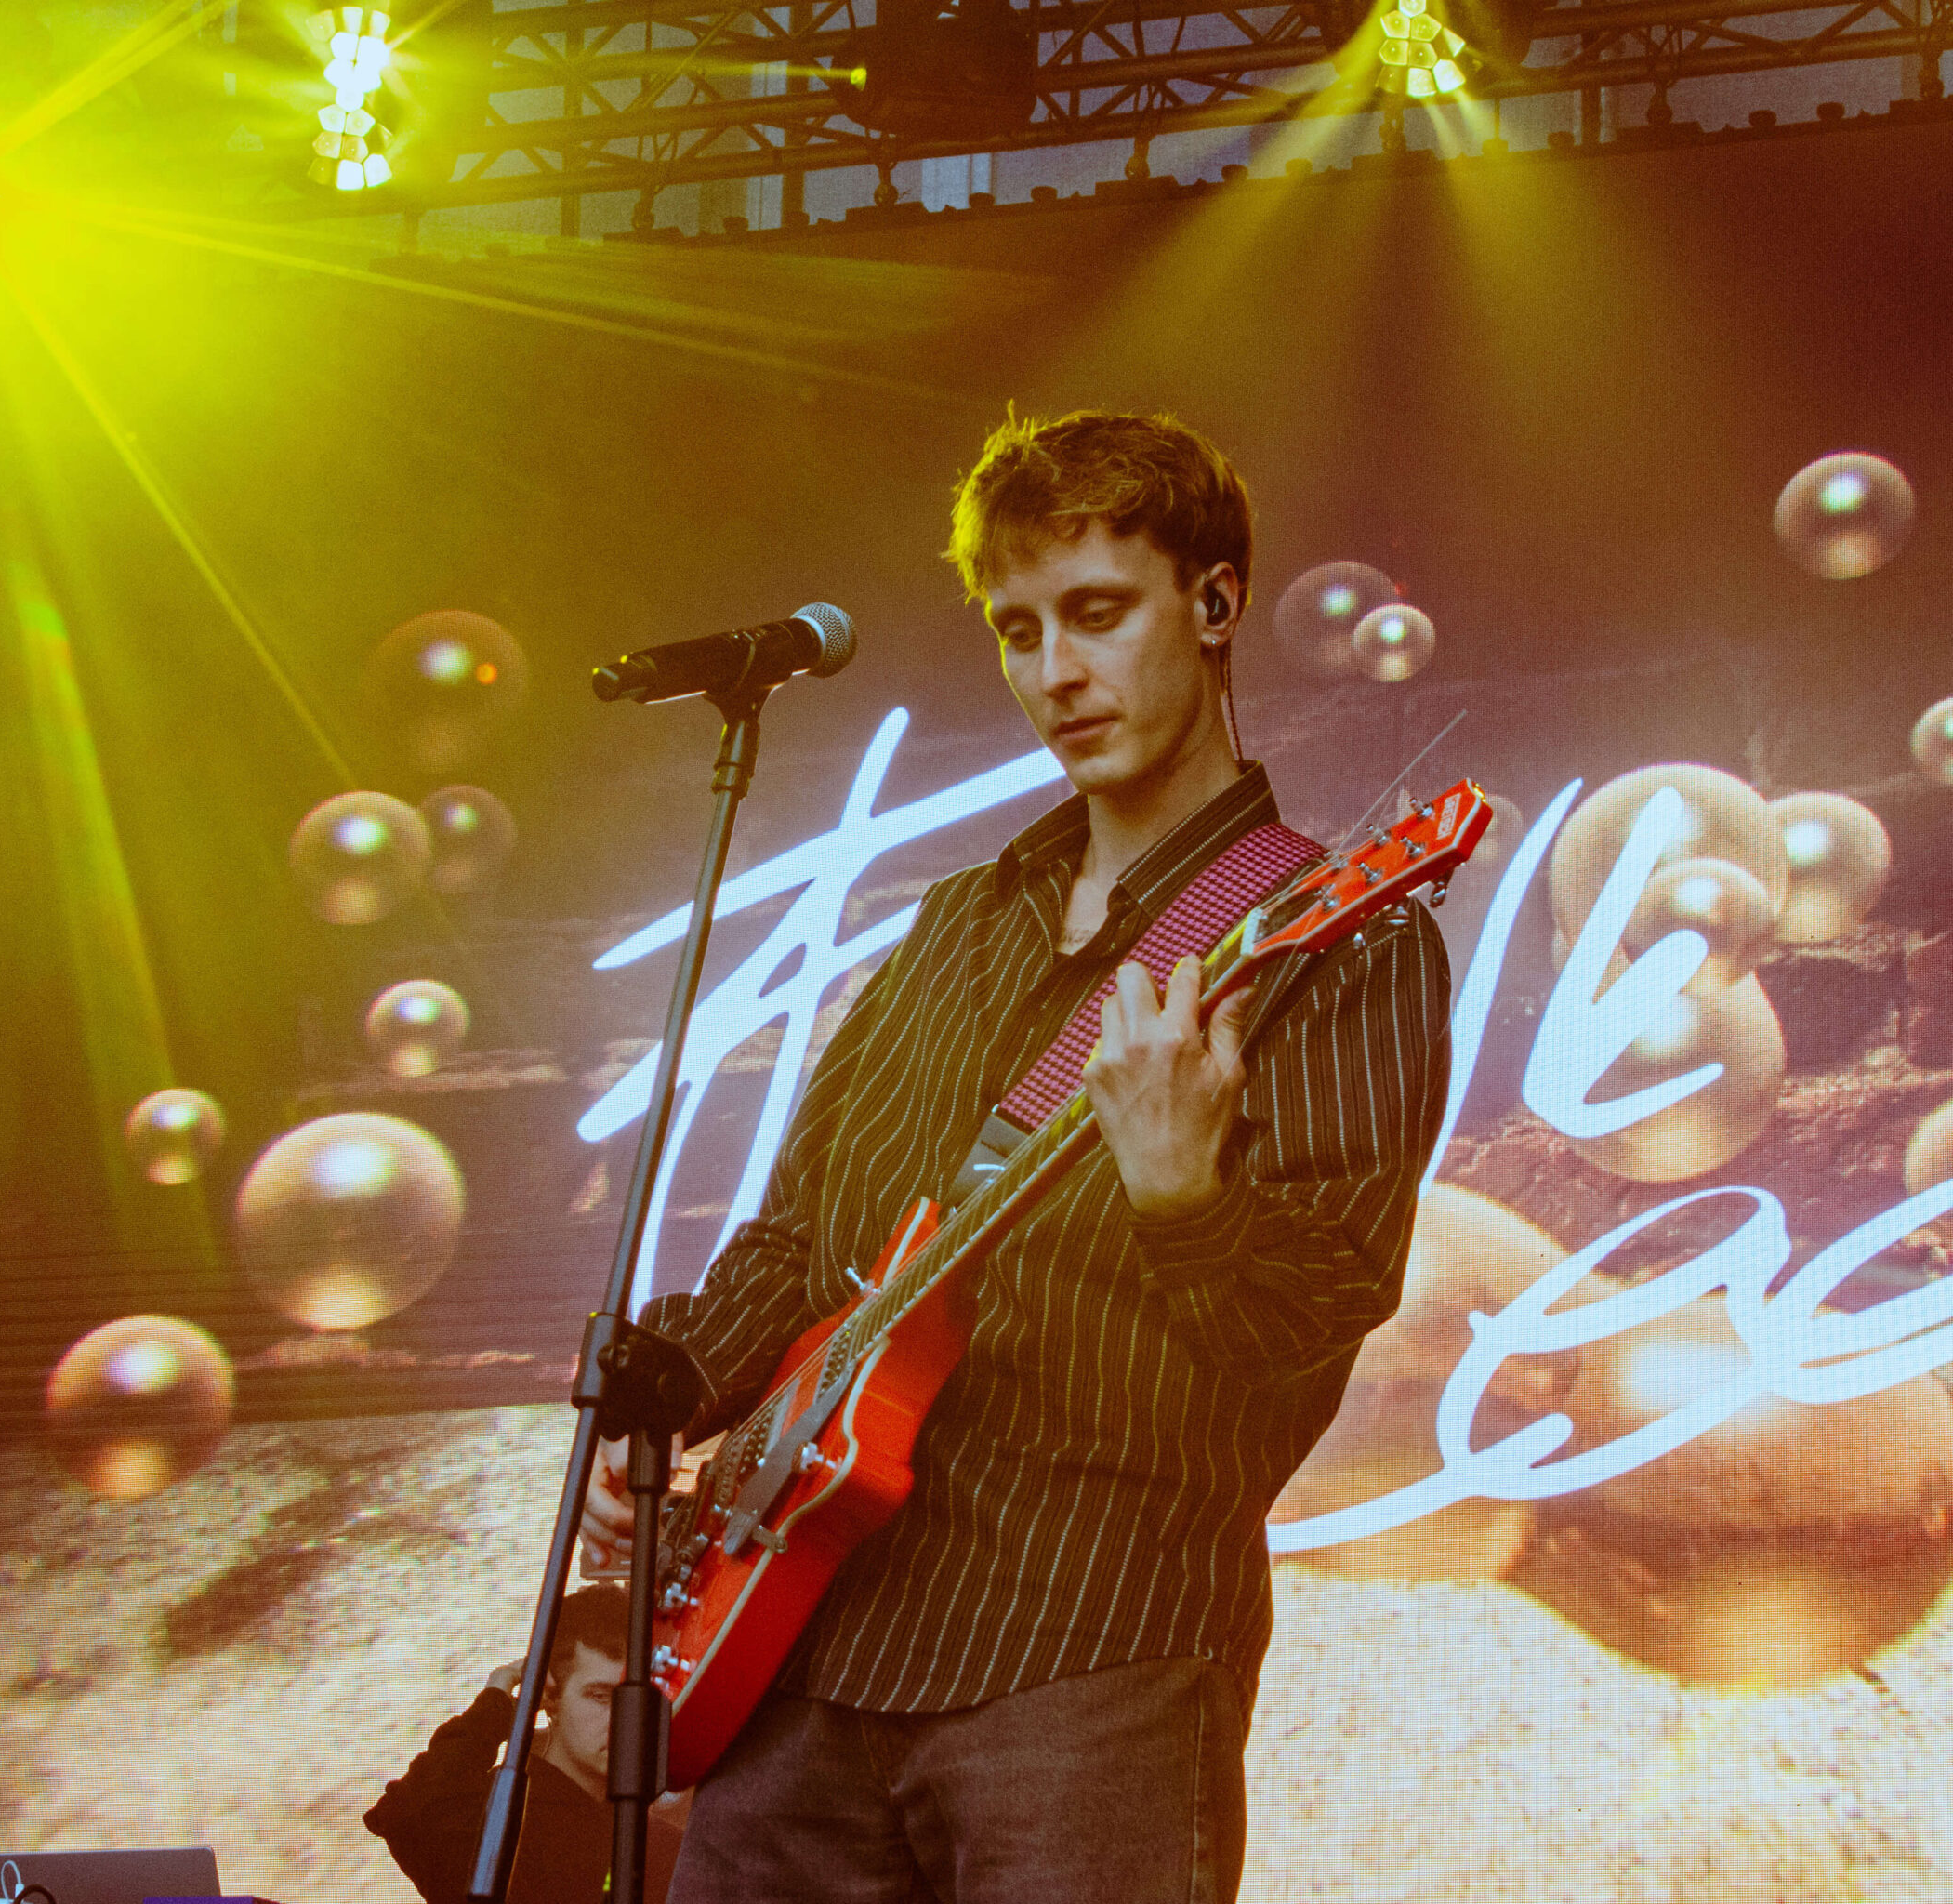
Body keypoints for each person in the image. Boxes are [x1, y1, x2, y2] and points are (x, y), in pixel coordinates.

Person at [580, 409, 1453, 1902]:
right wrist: (665, 1406)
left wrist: (1183, 1197)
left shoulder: (1340, 944)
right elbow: (806, 1237)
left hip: (1088, 1660)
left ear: (1216, 604)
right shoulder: (954, 926)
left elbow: (1318, 1318)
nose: (1056, 672)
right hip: (805, 1644)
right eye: (1017, 629)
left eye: (1098, 613)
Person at [364, 1582, 683, 1903]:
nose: (628, 1719)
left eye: (641, 1698)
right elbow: (409, 1810)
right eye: (601, 1696)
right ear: (551, 1696)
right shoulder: (494, 1815)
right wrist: (494, 1708)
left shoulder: (662, 1844)